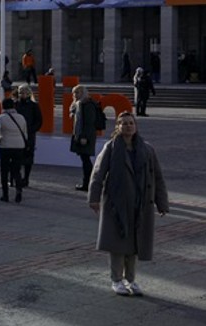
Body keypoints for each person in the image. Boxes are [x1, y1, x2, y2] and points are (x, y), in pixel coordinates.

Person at [88, 111, 170, 296]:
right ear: (117, 127)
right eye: (123, 123)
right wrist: (93, 198)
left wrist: (162, 203)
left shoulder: (147, 149)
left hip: (140, 204)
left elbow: (158, 176)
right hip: (116, 204)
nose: (128, 126)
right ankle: (116, 279)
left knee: (134, 244)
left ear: (136, 126)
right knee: (117, 243)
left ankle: (131, 279)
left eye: (131, 123)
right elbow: (98, 173)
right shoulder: (111, 147)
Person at [0, 98, 29, 203]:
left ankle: (5, 195)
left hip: (5, 146)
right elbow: (25, 132)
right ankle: (18, 191)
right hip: (19, 146)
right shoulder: (21, 117)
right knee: (17, 170)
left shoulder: (1, 118)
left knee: (4, 171)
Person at [13, 84, 45, 188]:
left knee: (28, 158)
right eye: (20, 92)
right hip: (16, 134)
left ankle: (26, 178)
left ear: (28, 93)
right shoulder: (15, 105)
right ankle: (16, 177)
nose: (22, 94)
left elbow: (39, 121)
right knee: (16, 157)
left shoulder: (34, 106)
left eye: (24, 92)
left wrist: (31, 130)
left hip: (29, 135)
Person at [69, 84, 99, 191]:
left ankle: (88, 183)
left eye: (77, 92)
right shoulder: (78, 104)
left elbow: (89, 123)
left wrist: (84, 137)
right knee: (84, 159)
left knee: (86, 160)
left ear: (83, 93)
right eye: (74, 93)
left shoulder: (88, 104)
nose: (75, 95)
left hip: (86, 136)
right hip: (81, 135)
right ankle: (87, 183)